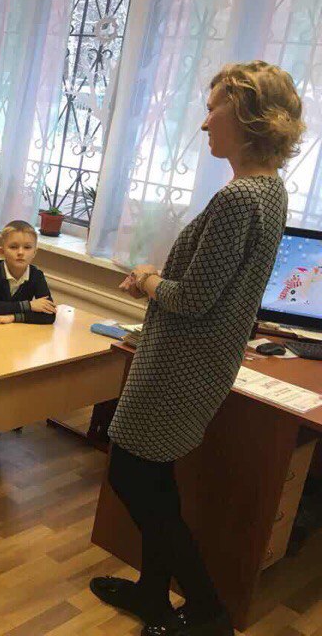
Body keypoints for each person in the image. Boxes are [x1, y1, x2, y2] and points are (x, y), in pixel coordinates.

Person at [90, 61, 302, 636]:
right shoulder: (271, 191)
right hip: (203, 364)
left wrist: (147, 278)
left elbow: (193, 298)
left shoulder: (240, 198)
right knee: (155, 479)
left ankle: (207, 610)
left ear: (249, 117)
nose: (205, 123)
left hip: (179, 367)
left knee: (132, 477)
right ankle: (152, 594)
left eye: (214, 110)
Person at [0, 220, 57, 324]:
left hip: (14, 327)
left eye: (27, 247)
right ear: (2, 251)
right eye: (13, 247)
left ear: (34, 252)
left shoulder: (36, 275)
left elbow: (50, 315)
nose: (20, 252)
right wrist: (29, 305)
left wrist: (13, 317)